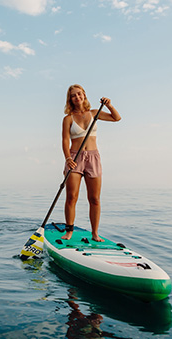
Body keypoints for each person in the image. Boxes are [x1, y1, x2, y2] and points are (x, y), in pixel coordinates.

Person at [61, 84, 121, 241]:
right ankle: (69, 231)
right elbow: (65, 140)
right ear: (70, 99)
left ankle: (95, 233)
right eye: (73, 95)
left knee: (94, 199)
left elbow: (117, 118)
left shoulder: (95, 113)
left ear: (84, 95)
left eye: (79, 94)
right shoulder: (67, 119)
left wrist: (109, 105)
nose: (77, 97)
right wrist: (68, 158)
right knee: (71, 197)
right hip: (74, 158)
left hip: (93, 158)